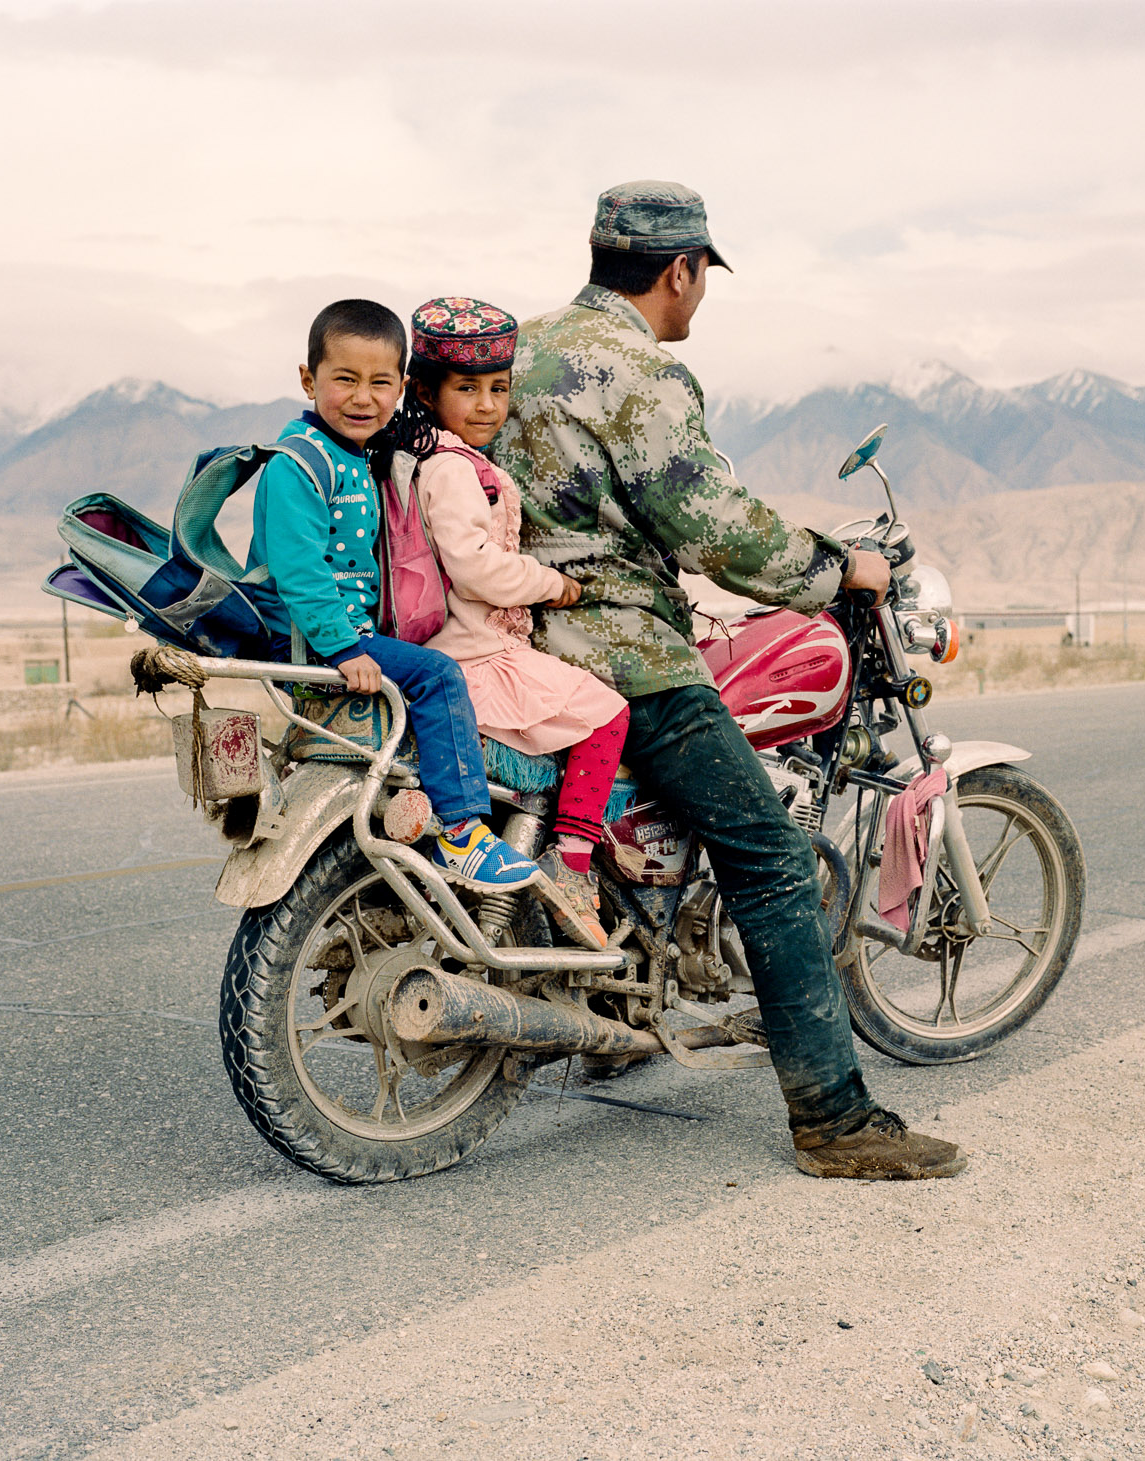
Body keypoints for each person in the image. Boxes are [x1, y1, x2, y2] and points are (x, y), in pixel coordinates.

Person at [495, 182, 967, 1181]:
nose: (699, 297)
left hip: (497, 641)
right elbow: (711, 526)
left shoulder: (518, 351)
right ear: (682, 271)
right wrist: (837, 569)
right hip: (614, 651)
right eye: (702, 279)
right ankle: (835, 1121)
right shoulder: (639, 373)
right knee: (771, 857)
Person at [247, 298, 541, 894]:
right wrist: (343, 647)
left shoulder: (354, 455)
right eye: (345, 380)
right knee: (437, 675)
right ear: (309, 380)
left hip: (343, 633)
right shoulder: (297, 466)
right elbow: (299, 572)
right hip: (314, 639)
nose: (364, 398)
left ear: (403, 386)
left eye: (381, 383)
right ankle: (463, 831)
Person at [379, 297, 629, 951]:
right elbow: (477, 568)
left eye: (498, 388)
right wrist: (554, 586)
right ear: (427, 391)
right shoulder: (454, 468)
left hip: (458, 649)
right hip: (480, 655)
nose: (488, 404)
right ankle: (573, 862)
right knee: (607, 712)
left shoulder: (419, 456)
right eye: (469, 389)